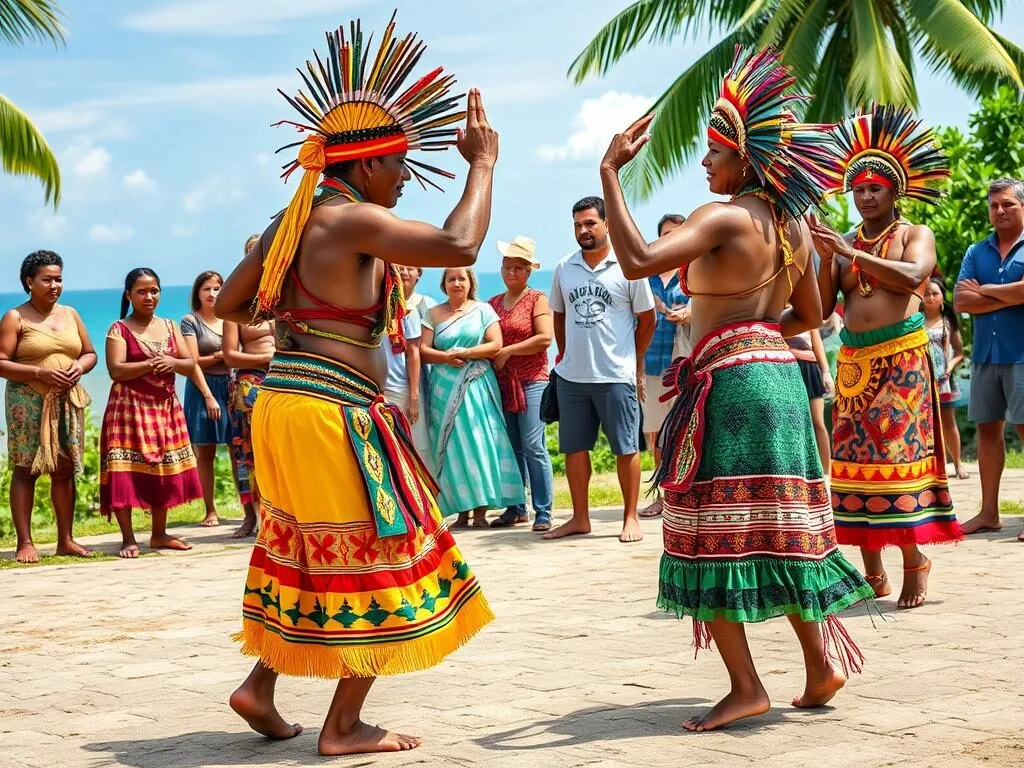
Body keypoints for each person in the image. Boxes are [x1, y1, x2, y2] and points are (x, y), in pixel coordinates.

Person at [214, 15, 496, 756]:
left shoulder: (294, 218)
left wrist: (305, 321)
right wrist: (484, 165)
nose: (406, 177)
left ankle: (261, 687)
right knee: (380, 553)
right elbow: (461, 244)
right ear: (365, 166)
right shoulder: (350, 220)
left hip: (288, 403)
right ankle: (342, 726)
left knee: (315, 551)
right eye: (399, 163)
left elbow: (228, 305)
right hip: (330, 413)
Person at [599, 46, 874, 732]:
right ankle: (818, 664)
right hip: (779, 374)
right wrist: (759, 333)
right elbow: (810, 316)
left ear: (745, 161)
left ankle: (747, 685)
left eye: (714, 152)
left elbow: (636, 259)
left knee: (709, 530)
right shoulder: (794, 228)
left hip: (729, 383)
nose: (704, 164)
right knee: (779, 528)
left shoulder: (723, 218)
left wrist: (609, 172)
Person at [812, 104, 962, 609]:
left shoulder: (914, 235)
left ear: (894, 191)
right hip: (855, 363)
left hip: (902, 362)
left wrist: (848, 253)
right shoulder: (843, 244)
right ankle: (871, 571)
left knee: (897, 461)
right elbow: (818, 306)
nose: (865, 196)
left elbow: (914, 276)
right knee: (853, 467)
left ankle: (915, 561)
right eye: (858, 189)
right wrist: (811, 251)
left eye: (874, 187)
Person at [547, 196, 656, 543]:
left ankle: (630, 517)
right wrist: (564, 354)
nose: (583, 230)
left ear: (607, 224)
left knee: (626, 448)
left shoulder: (629, 266)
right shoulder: (565, 267)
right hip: (573, 377)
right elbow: (559, 314)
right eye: (578, 224)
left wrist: (631, 356)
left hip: (615, 375)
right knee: (574, 449)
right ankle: (580, 518)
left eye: (590, 223)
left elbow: (647, 319)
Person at [0, 250, 97, 563]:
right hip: (27, 401)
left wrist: (79, 368)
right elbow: (1, 362)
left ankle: (65, 540)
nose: (55, 285)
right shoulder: (16, 317)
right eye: (47, 279)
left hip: (66, 400)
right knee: (26, 469)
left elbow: (89, 352)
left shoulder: (71, 314)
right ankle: (25, 542)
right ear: (30, 282)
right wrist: (40, 372)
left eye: (59, 279)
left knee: (64, 469)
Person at [101, 268, 203, 558]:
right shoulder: (118, 329)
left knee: (163, 469)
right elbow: (116, 370)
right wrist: (152, 364)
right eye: (142, 291)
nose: (149, 297)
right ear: (129, 295)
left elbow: (190, 363)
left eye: (154, 290)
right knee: (124, 468)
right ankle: (128, 538)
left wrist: (172, 361)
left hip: (165, 407)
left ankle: (159, 534)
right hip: (128, 408)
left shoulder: (170, 327)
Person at [421, 267, 525, 527]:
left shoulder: (482, 310)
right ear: (444, 284)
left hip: (476, 384)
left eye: (462, 278)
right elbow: (422, 350)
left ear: (470, 283)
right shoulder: (433, 313)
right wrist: (446, 357)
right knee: (452, 446)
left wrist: (466, 353)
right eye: (451, 279)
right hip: (444, 387)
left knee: (479, 442)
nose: (457, 283)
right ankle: (461, 512)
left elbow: (495, 344)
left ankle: (480, 512)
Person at [954, 178, 1024, 539]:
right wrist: (1010, 295)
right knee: (987, 431)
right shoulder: (975, 251)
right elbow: (961, 302)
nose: (1000, 211)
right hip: (985, 354)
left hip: (1021, 354)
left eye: (1008, 204)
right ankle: (988, 512)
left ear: (1022, 206)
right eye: (994, 205)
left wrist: (988, 290)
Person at [486, 236, 555, 531]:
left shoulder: (537, 299)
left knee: (533, 445)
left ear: (528, 271)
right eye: (506, 267)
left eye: (517, 268)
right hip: (503, 383)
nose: (510, 273)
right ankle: (516, 506)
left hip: (532, 380)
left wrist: (508, 351)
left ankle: (543, 510)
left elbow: (544, 338)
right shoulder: (493, 303)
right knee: (511, 446)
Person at [222, 246, 276, 540]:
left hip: (281, 378)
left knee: (279, 453)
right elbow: (229, 355)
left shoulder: (282, 297)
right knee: (248, 455)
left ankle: (277, 517)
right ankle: (249, 517)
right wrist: (263, 360)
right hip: (252, 383)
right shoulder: (237, 304)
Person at [640, 214, 689, 519]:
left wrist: (689, 313)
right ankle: (662, 495)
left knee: (685, 428)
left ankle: (686, 493)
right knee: (656, 432)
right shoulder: (646, 275)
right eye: (666, 234)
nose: (671, 238)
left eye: (678, 233)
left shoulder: (695, 271)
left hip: (684, 364)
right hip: (651, 362)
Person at [180, 270, 233, 528]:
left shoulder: (230, 317)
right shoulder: (190, 321)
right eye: (207, 289)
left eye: (217, 288)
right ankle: (210, 509)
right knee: (205, 452)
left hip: (232, 386)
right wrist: (219, 357)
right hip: (203, 389)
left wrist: (229, 357)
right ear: (197, 294)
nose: (213, 294)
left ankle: (248, 509)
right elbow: (192, 361)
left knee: (239, 449)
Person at [923, 276, 968, 480]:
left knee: (949, 422)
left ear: (942, 297)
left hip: (943, 379)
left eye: (935, 294)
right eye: (926, 294)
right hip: (921, 378)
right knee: (925, 424)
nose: (930, 298)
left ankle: (958, 463)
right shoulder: (915, 320)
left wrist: (949, 367)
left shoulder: (948, 322)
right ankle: (934, 467)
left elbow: (959, 351)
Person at [381, 299, 430, 475]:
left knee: (408, 447)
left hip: (399, 387)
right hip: (372, 387)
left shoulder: (407, 311)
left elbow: (413, 351)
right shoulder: (369, 305)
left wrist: (414, 396)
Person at [785, 327, 835, 476]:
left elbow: (816, 340)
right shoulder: (775, 309)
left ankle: (826, 473)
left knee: (818, 421)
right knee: (793, 422)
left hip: (810, 367)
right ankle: (798, 472)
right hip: (787, 367)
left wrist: (826, 372)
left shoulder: (803, 309)